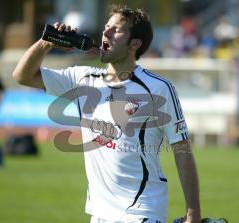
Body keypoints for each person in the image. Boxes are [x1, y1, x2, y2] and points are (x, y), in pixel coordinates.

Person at [12, 5, 201, 223]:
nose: (106, 33)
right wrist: (46, 43)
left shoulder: (158, 88)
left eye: (116, 30)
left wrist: (193, 214)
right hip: (100, 214)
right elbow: (23, 76)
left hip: (142, 211)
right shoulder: (83, 78)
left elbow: (181, 148)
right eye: (106, 27)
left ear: (135, 44)